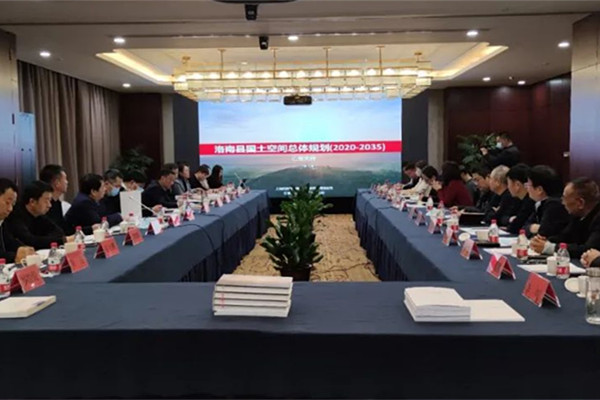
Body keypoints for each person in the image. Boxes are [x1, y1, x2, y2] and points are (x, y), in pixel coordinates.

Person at [530, 178, 600, 259]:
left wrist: (550, 247)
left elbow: (589, 251)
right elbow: (565, 237)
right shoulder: (577, 215)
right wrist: (544, 241)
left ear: (580, 203)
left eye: (564, 198)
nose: (562, 202)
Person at [6, 181, 69, 249]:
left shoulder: (39, 215)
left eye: (50, 200)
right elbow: (29, 241)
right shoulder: (15, 216)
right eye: (46, 200)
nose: (49, 205)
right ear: (32, 202)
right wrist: (62, 240)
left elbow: (59, 232)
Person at [524, 165, 569, 238]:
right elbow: (525, 228)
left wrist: (537, 228)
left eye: (528, 184)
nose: (526, 188)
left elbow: (543, 234)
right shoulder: (540, 203)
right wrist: (535, 228)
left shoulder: (554, 205)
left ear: (539, 190)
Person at [0, 178, 35, 263]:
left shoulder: (3, 222)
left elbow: (10, 242)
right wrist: (14, 256)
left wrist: (24, 249)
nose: (10, 209)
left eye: (13, 204)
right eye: (7, 203)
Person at [39, 164, 74, 235]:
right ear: (57, 183)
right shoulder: (44, 205)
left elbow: (64, 228)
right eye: (65, 179)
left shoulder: (57, 202)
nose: (67, 182)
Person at [505, 164, 536, 234]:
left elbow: (515, 227)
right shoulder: (518, 200)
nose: (508, 187)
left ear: (517, 185)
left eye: (508, 183)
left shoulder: (531, 201)